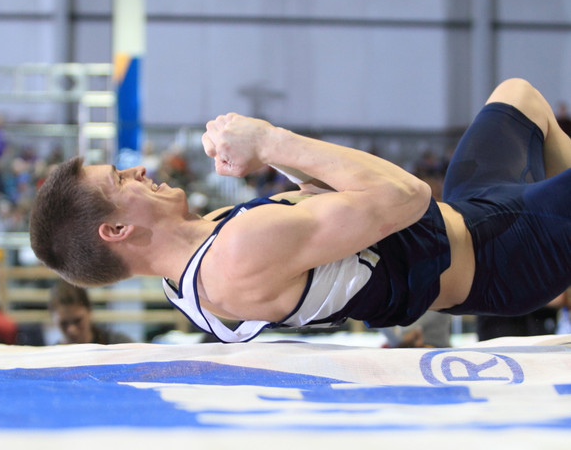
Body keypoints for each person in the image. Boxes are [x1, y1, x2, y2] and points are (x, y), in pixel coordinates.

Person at [29, 78, 571, 344]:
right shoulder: (233, 258)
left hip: (475, 212)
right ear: (117, 230)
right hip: (506, 254)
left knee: (519, 96)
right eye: (121, 180)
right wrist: (270, 141)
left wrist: (284, 167)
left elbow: (339, 212)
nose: (139, 171)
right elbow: (407, 198)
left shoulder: (200, 259)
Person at [48, 280, 132, 345]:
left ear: (90, 311)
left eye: (78, 321)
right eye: (63, 323)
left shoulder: (118, 346)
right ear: (52, 320)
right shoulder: (49, 359)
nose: (72, 330)